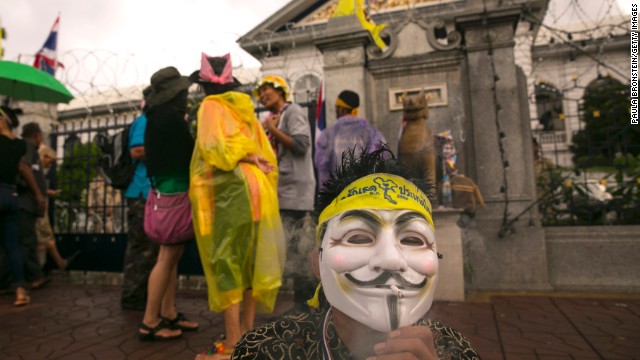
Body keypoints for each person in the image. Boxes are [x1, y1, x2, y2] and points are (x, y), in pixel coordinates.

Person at [231, 146, 480, 359]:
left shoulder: (453, 350)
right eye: (358, 237)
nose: (391, 260)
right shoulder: (266, 349)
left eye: (413, 240)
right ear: (316, 262)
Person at [190, 53, 285, 359]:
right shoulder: (244, 108)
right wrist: (253, 159)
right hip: (259, 190)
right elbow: (266, 153)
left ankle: (232, 343)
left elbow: (213, 148)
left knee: (227, 260)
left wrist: (244, 157)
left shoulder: (210, 107)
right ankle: (247, 331)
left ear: (204, 87)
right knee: (251, 262)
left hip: (231, 192)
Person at [137, 66, 198, 341]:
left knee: (170, 257)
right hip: (175, 194)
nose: (187, 95)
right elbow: (191, 153)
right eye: (183, 92)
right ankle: (150, 320)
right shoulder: (171, 120)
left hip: (162, 192)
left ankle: (169, 311)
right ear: (174, 95)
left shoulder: (155, 118)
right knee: (166, 258)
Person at [255, 75, 316, 313]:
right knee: (290, 247)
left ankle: (304, 306)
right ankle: (302, 304)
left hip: (296, 191)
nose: (262, 96)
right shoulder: (280, 117)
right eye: (260, 93)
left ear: (280, 91)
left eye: (266, 90)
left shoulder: (294, 112)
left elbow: (301, 145)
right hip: (285, 191)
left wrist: (271, 129)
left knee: (296, 247)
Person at [120, 87, 159, 311]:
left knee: (147, 247)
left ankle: (139, 293)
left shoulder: (148, 120)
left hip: (144, 192)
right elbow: (137, 151)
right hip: (140, 193)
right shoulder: (144, 121)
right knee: (141, 247)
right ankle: (133, 296)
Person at [314, 89, 386, 189]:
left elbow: (323, 166)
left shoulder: (328, 134)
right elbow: (380, 159)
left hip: (338, 193)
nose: (335, 111)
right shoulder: (371, 132)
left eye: (336, 108)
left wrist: (325, 195)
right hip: (365, 191)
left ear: (341, 109)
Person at [0, 106, 33, 305]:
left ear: (4, 120)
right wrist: (38, 195)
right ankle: (20, 291)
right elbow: (22, 169)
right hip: (11, 195)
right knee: (12, 246)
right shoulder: (20, 145)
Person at [36, 144, 78, 271]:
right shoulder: (35, 169)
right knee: (45, 237)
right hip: (37, 209)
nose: (51, 165)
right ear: (44, 156)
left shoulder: (39, 170)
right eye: (50, 160)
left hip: (39, 209)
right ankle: (56, 264)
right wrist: (49, 192)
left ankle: (56, 263)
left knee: (44, 237)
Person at [17, 122, 48, 290]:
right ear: (36, 134)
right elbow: (24, 168)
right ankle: (20, 280)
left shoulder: (30, 149)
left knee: (29, 240)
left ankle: (34, 275)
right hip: (25, 203)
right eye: (41, 134)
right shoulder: (27, 147)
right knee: (26, 241)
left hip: (28, 204)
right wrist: (38, 194)